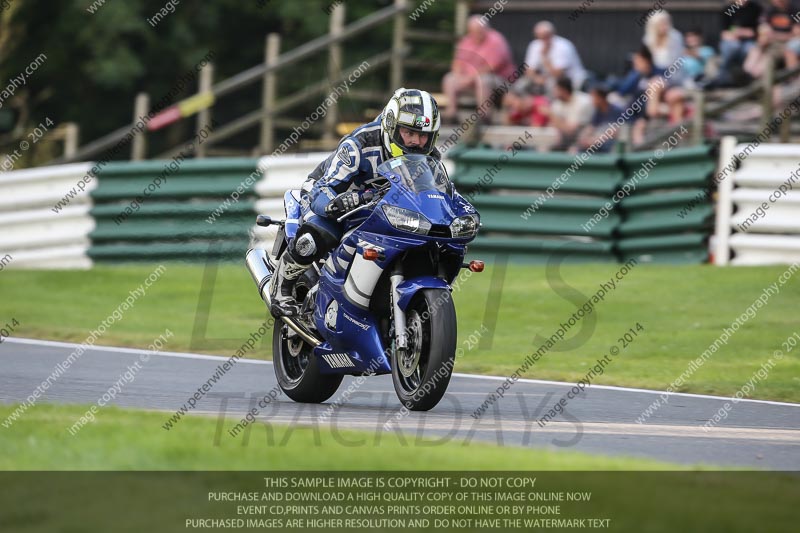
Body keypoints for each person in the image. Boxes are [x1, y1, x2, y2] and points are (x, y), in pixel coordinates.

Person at [267, 89, 442, 317]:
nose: (416, 142)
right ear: (391, 125)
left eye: (424, 135)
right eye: (409, 132)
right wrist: (340, 203)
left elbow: (435, 196)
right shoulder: (360, 143)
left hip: (384, 211)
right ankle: (281, 286)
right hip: (333, 197)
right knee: (319, 234)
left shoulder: (430, 158)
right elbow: (323, 189)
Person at [502, 21, 586, 124]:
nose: (544, 39)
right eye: (540, 36)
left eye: (546, 36)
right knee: (521, 84)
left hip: (567, 80)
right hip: (544, 79)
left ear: (552, 34)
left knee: (552, 84)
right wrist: (537, 78)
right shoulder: (535, 45)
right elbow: (529, 70)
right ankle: (520, 105)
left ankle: (544, 109)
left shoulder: (564, 46)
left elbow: (558, 74)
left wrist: (545, 58)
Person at [441, 15, 515, 124]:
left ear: (486, 29)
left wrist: (470, 78)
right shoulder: (466, 41)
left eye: (479, 30)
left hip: (499, 81)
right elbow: (457, 63)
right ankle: (452, 114)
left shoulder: (496, 40)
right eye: (473, 31)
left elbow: (493, 66)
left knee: (483, 80)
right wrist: (458, 75)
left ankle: (484, 116)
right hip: (469, 79)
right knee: (449, 78)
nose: (476, 34)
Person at [716, 0, 762, 86]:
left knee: (751, 49)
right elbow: (724, 33)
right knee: (733, 46)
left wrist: (740, 32)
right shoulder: (730, 9)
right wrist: (736, 33)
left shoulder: (755, 8)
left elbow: (755, 32)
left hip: (749, 42)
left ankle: (746, 80)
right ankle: (721, 78)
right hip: (732, 41)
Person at [542, 76, 594, 150]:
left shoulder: (583, 102)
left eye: (556, 90)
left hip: (583, 138)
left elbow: (570, 130)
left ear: (564, 90)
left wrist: (552, 115)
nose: (553, 92)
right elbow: (552, 126)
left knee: (573, 150)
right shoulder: (557, 103)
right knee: (544, 145)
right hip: (564, 137)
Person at [575, 84, 625, 154]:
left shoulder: (616, 110)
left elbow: (615, 132)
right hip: (598, 141)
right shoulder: (597, 112)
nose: (592, 100)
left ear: (601, 98)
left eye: (594, 97)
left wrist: (595, 140)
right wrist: (584, 138)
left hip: (611, 143)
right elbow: (591, 128)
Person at [762, 0, 800, 70]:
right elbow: (765, 29)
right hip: (774, 44)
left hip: (787, 43)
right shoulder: (771, 9)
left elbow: (796, 35)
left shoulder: (795, 9)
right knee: (759, 47)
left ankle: (792, 78)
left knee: (791, 48)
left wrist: (776, 36)